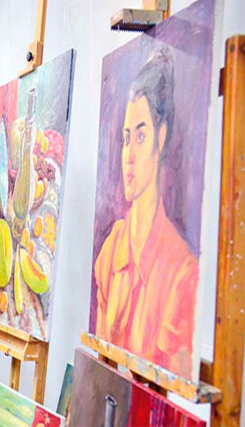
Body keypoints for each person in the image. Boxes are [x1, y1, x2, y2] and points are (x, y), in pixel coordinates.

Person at [94, 47, 198, 378]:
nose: (129, 154)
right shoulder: (111, 250)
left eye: (141, 136)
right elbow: (103, 371)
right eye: (126, 138)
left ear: (160, 138)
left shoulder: (181, 272)